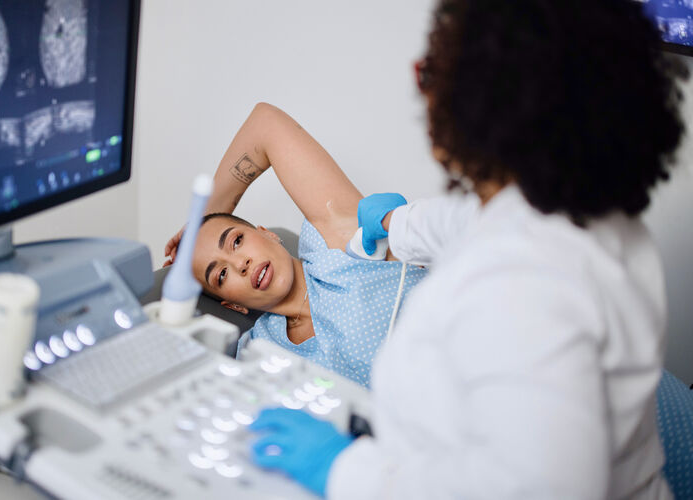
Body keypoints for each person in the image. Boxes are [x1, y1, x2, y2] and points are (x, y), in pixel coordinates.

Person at [246, 0, 687, 498]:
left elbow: (536, 489)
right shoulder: (588, 213)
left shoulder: (520, 287)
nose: (423, 87)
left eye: (431, 71)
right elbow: (472, 222)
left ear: (477, 106)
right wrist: (396, 223)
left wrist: (345, 471)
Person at [163, 103, 427, 387]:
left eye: (237, 241)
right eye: (221, 275)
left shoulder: (334, 244)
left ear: (267, 233)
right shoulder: (260, 352)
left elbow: (265, 124)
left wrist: (203, 216)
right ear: (233, 305)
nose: (240, 264)